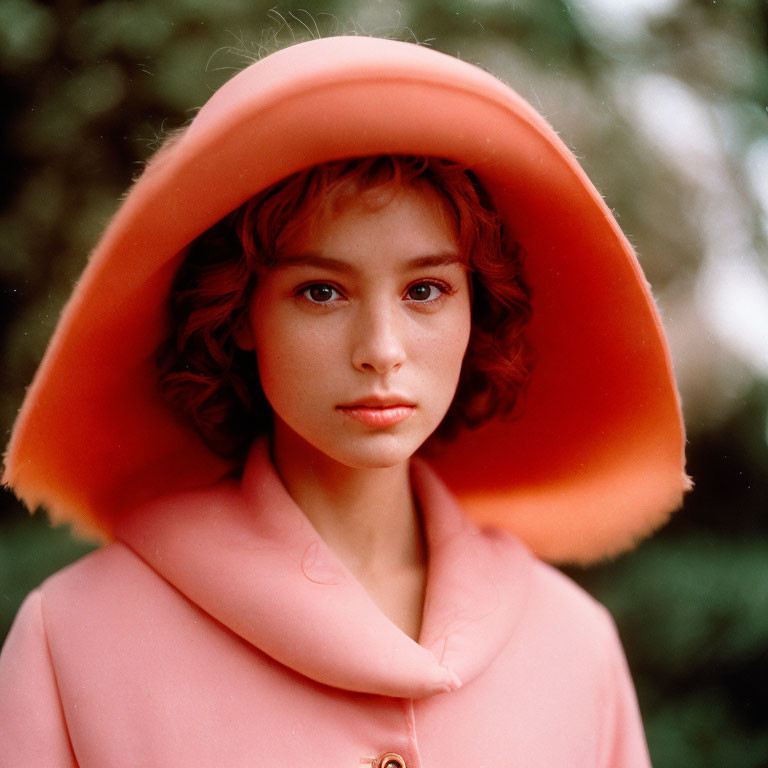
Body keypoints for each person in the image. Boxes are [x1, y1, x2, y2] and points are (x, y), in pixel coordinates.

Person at [0, 36, 689, 766]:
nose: (381, 348)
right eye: (320, 291)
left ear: (475, 312)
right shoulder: (73, 640)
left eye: (426, 290)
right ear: (239, 315)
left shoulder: (573, 643)